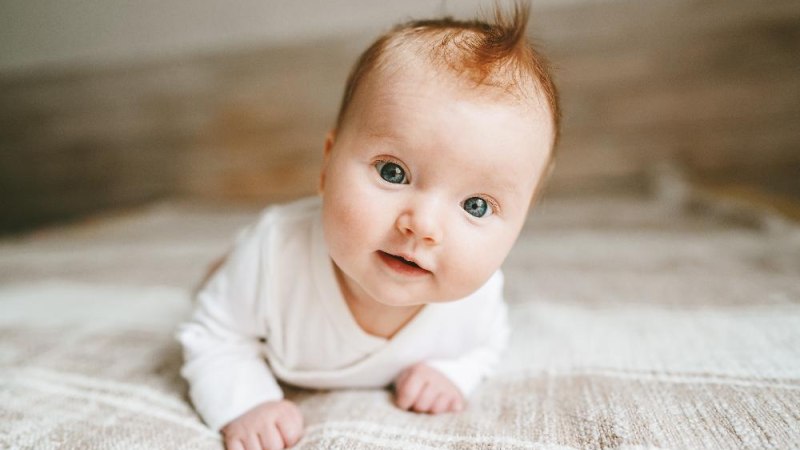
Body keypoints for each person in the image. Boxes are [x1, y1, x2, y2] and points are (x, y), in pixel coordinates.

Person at [176, 3, 560, 449]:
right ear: (327, 165)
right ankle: (218, 271)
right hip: (256, 272)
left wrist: (451, 373)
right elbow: (213, 336)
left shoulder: (477, 302)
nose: (423, 226)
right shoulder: (274, 256)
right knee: (222, 288)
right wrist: (245, 402)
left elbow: (486, 346)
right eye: (393, 172)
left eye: (476, 206)